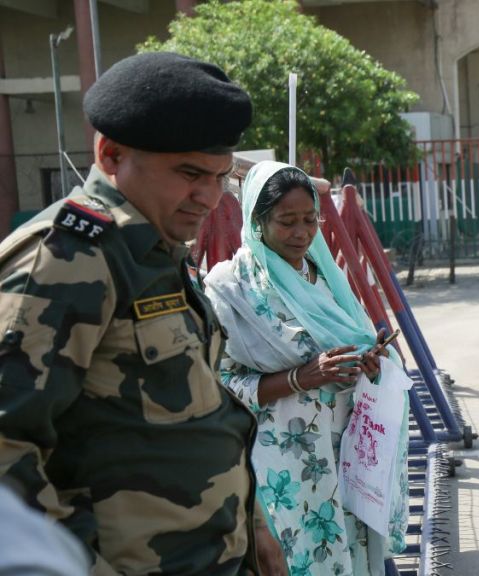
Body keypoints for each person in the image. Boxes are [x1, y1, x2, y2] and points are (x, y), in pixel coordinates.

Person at [0, 52, 284, 574]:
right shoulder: (67, 260)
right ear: (110, 155)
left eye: (221, 177)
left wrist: (254, 528)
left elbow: (199, 417)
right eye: (190, 173)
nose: (209, 197)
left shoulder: (154, 250)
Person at [204, 161, 409, 576]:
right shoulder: (232, 287)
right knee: (299, 558)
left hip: (348, 452)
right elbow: (217, 384)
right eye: (287, 221)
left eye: (310, 220)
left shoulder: (326, 277)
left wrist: (370, 362)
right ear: (258, 221)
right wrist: (300, 378)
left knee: (353, 551)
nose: (301, 233)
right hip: (285, 461)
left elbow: (359, 341)